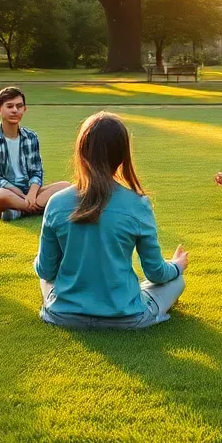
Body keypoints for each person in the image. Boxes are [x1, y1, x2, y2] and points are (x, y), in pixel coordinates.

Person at [34, 112, 189, 329]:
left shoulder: (56, 203)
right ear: (122, 156)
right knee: (176, 281)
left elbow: (46, 271)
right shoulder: (138, 204)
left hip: (64, 314)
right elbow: (156, 273)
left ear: (81, 152)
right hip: (126, 316)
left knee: (46, 279)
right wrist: (177, 266)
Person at [0, 87, 71, 221]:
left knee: (66, 186)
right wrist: (20, 194)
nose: (15, 110)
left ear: (24, 109)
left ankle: (20, 211)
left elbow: (36, 171)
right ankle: (36, 208)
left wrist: (32, 194)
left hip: (29, 191)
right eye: (10, 106)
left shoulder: (31, 137)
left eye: (19, 106)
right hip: (6, 193)